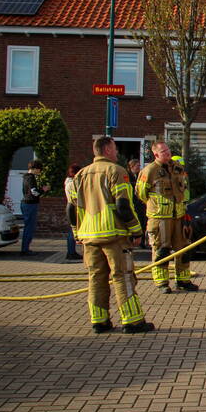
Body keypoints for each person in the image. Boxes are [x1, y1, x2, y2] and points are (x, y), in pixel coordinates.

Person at [68, 136, 153, 334]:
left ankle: (99, 320)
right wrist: (135, 230)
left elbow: (71, 209)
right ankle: (132, 320)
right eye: (115, 149)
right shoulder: (116, 171)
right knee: (123, 277)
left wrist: (76, 232)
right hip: (114, 236)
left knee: (96, 278)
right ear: (107, 150)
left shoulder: (80, 175)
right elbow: (123, 205)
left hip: (88, 236)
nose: (117, 152)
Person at [137, 141, 195, 293]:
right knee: (161, 250)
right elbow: (141, 193)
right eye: (163, 152)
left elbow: (185, 189)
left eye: (168, 150)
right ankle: (162, 283)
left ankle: (183, 280)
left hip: (179, 216)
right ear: (156, 154)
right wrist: (155, 206)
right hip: (160, 218)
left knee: (183, 249)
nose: (167, 153)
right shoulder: (149, 171)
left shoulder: (177, 168)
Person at [20, 159, 50, 255]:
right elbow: (34, 192)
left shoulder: (25, 177)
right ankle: (25, 249)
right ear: (35, 169)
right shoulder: (31, 177)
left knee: (28, 226)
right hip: (30, 204)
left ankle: (25, 248)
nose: (40, 172)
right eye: (39, 169)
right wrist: (43, 189)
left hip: (26, 203)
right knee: (29, 227)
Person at [127, 159, 148, 249]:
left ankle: (142, 241)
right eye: (137, 166)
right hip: (133, 203)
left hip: (141, 203)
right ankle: (132, 240)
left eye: (139, 166)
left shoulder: (139, 175)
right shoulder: (128, 176)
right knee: (136, 221)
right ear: (132, 166)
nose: (139, 167)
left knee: (143, 222)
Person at [63, 163, 82, 260]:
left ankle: (71, 252)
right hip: (74, 207)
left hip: (71, 206)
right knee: (72, 230)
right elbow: (77, 197)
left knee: (72, 230)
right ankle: (71, 252)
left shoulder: (68, 182)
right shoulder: (72, 183)